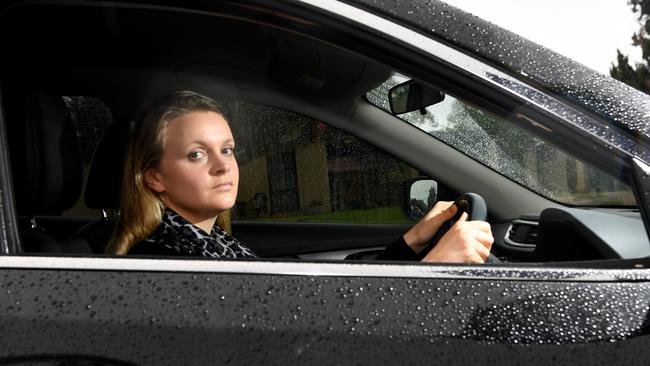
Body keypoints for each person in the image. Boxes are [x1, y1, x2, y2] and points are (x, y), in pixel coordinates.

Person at [108, 91, 494, 263]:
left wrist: (413, 240)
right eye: (196, 154)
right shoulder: (164, 262)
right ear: (155, 177)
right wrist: (434, 269)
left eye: (226, 149)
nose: (223, 165)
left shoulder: (209, 246)